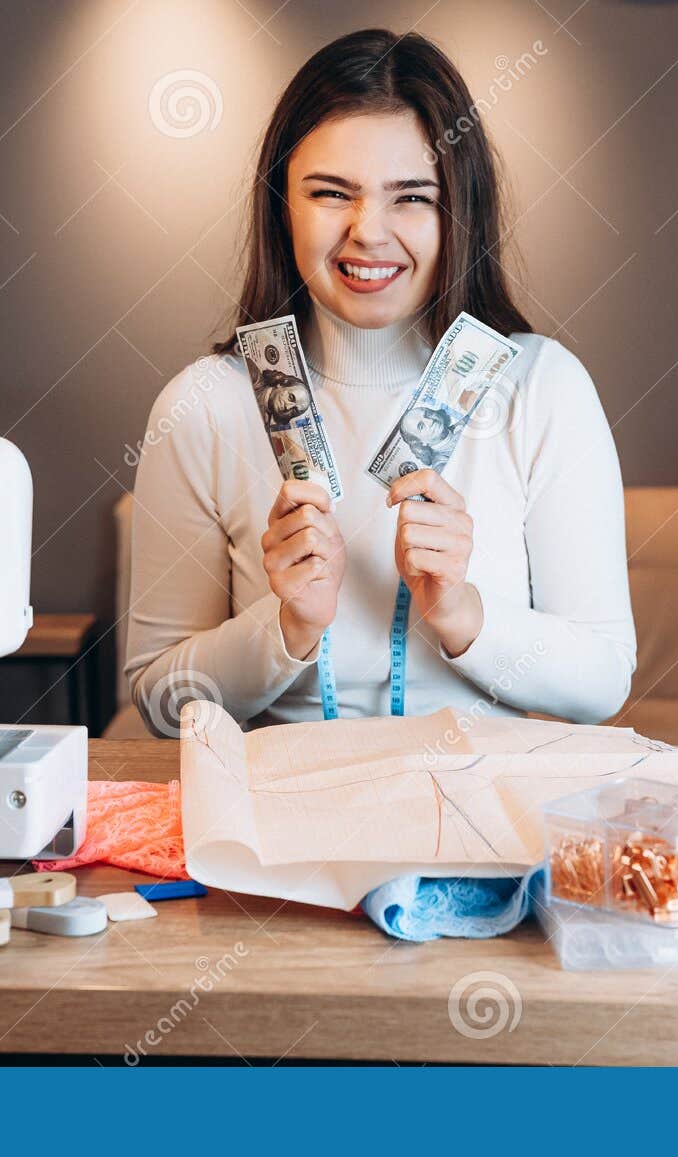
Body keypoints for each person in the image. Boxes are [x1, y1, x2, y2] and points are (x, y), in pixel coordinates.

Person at [125, 27, 635, 733]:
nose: (368, 230)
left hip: (487, 824)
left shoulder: (542, 388)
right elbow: (155, 695)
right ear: (282, 205)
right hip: (281, 824)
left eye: (412, 197)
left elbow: (605, 677)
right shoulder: (202, 406)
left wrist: (463, 612)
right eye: (332, 192)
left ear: (458, 208)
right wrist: (287, 627)